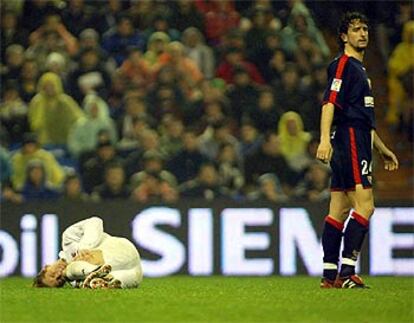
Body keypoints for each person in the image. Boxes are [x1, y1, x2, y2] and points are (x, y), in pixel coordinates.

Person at [316, 12, 399, 289]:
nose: (362, 34)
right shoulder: (343, 65)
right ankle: (347, 271)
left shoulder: (362, 72)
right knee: (366, 205)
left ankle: (330, 276)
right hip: (350, 139)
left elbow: (365, 120)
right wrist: (324, 139)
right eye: (355, 30)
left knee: (338, 210)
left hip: (358, 138)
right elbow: (329, 103)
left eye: (365, 29)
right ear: (344, 37)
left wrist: (383, 149)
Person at [33, 216, 143, 289]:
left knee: (72, 269)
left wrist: (84, 248)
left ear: (46, 267)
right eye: (59, 281)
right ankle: (105, 280)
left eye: (52, 274)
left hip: (120, 250)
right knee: (126, 280)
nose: (58, 274)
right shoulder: (73, 282)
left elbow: (95, 221)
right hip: (133, 270)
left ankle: (95, 271)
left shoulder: (68, 240)